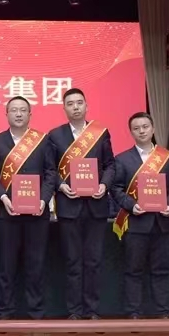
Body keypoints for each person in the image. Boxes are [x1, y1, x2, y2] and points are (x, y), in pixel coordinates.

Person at [48, 88, 115, 320]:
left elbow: (110, 165)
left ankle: (92, 309)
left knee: (94, 261)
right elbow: (50, 169)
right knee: (72, 262)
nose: (75, 107)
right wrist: (60, 186)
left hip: (96, 207)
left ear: (86, 106)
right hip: (69, 207)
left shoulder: (100, 133)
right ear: (64, 108)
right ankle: (74, 311)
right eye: (70, 103)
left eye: (79, 103)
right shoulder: (55, 135)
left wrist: (104, 185)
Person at [0, 96, 56, 320]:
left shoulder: (42, 141)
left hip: (37, 214)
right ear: (6, 114)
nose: (18, 114)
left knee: (36, 265)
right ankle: (4, 312)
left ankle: (36, 313)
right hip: (7, 213)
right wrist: (3, 198)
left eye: (23, 110)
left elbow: (51, 173)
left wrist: (43, 200)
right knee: (6, 266)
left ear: (30, 114)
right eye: (14, 110)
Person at [110, 112, 169, 319]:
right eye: (136, 128)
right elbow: (116, 189)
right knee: (133, 270)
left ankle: (163, 312)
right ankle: (133, 312)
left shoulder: (168, 157)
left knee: (162, 270)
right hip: (136, 223)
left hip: (163, 223)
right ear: (131, 132)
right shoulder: (122, 159)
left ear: (153, 129)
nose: (141, 131)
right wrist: (131, 205)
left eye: (145, 127)